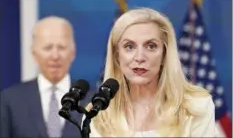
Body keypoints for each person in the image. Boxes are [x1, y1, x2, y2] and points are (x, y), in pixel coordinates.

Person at [84, 8, 216, 137]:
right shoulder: (98, 114)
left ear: (164, 55)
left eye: (151, 46)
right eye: (129, 46)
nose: (140, 57)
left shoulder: (197, 107)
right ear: (117, 56)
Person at [0, 16, 90, 138]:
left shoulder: (92, 102)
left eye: (61, 47)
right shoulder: (9, 100)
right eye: (47, 48)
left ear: (73, 52)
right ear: (33, 53)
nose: (55, 55)